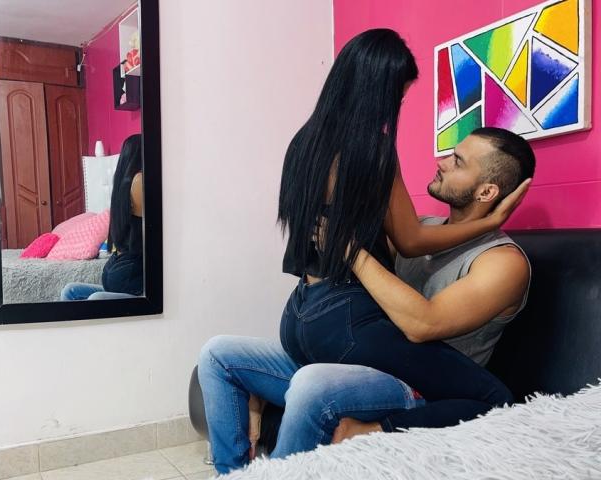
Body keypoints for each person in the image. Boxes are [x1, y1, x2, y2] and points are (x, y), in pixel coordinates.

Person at [198, 27, 531, 475]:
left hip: (301, 310)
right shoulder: (372, 151)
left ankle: (233, 471)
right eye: (400, 95)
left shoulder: (305, 143)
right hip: (347, 321)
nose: (441, 159)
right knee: (496, 398)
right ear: (382, 90)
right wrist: (490, 221)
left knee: (218, 355)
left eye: (457, 160)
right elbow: (411, 240)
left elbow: (417, 301)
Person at [256, 127, 534, 454]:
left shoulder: (503, 262)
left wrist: (350, 250)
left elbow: (423, 324)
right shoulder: (421, 230)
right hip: (376, 364)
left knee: (498, 402)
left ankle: (373, 431)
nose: (442, 162)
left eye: (457, 161)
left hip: (432, 389)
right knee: (229, 360)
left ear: (486, 192)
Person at [60, 134, 144, 300]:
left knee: (74, 292)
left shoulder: (121, 185)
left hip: (115, 267)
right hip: (129, 274)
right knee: (83, 295)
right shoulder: (139, 182)